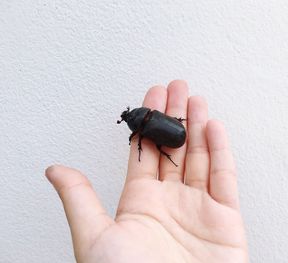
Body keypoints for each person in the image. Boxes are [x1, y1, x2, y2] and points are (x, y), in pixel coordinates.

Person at [45, 80, 249, 263]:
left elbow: (138, 134)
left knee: (156, 146)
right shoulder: (148, 116)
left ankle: (167, 150)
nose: (129, 116)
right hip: (175, 129)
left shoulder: (140, 131)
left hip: (174, 135)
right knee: (157, 145)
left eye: (129, 117)